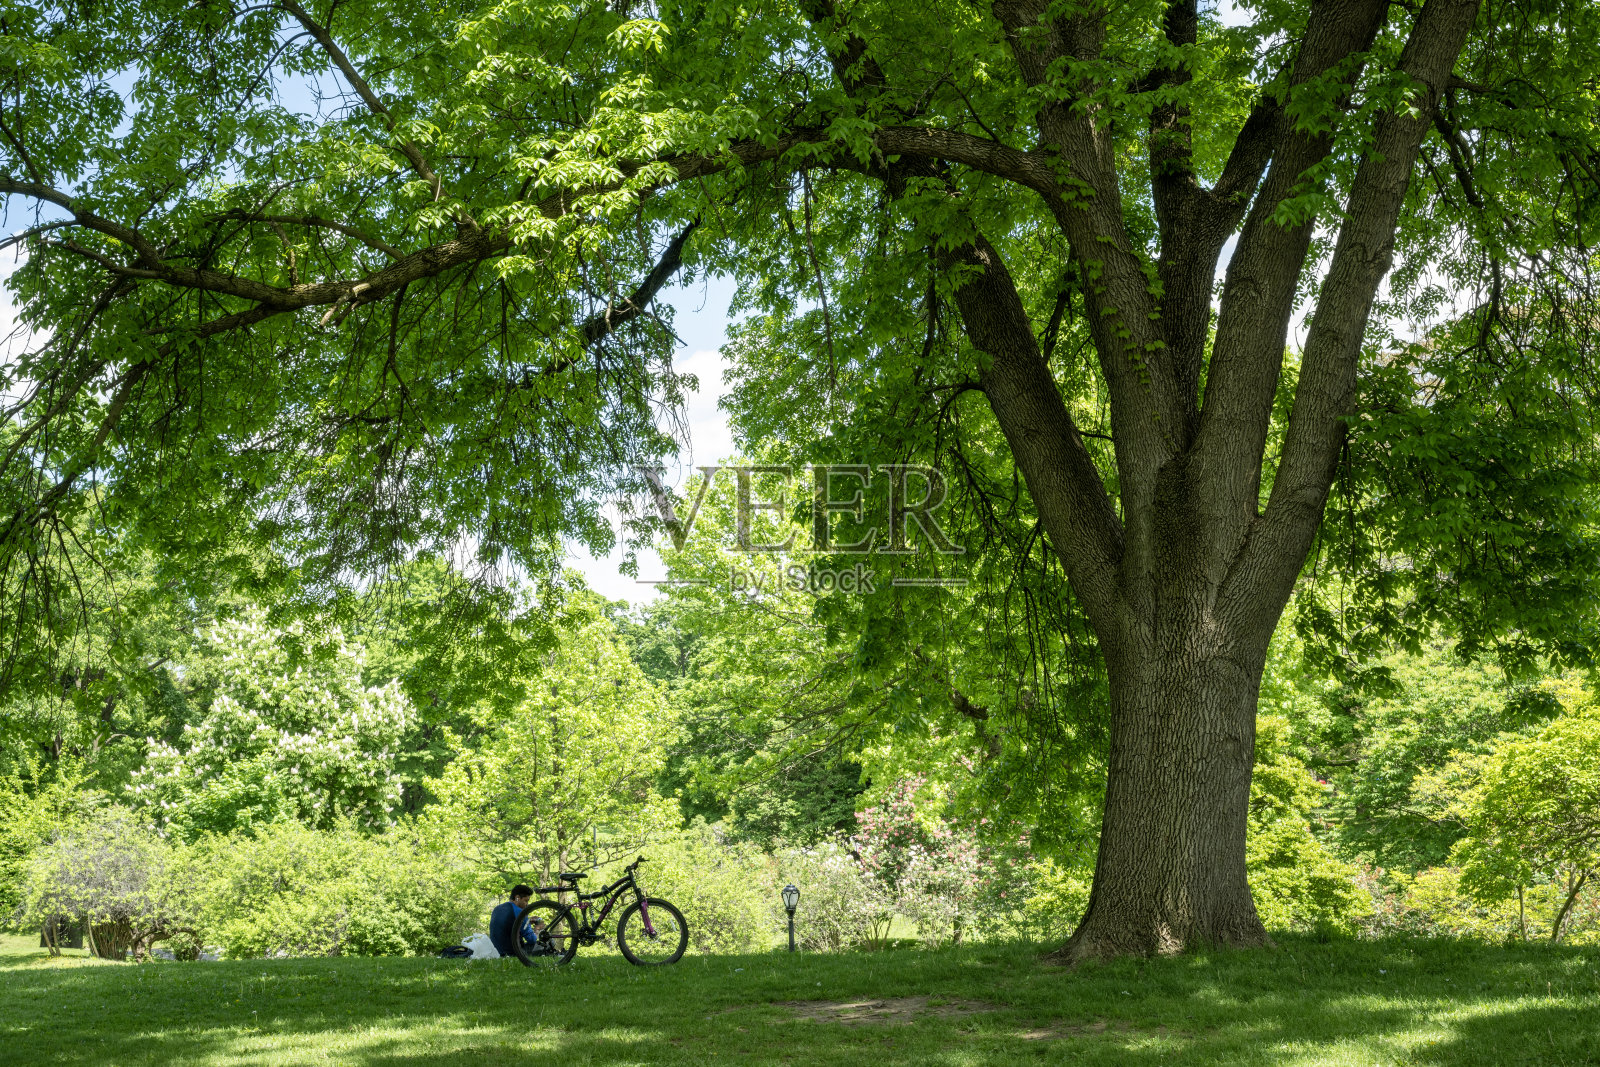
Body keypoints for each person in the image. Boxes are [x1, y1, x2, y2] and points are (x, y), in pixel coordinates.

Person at [488, 885, 534, 958]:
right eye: (526, 900)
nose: (527, 904)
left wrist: (527, 921)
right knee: (544, 945)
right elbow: (532, 940)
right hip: (513, 952)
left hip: (496, 951)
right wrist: (537, 929)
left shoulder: (497, 908)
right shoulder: (521, 912)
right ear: (517, 898)